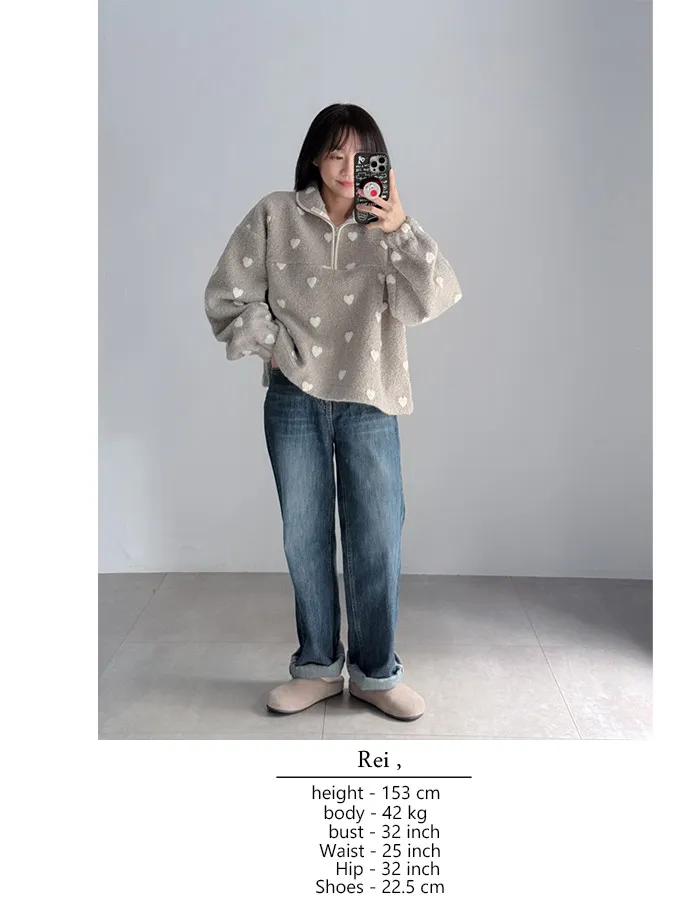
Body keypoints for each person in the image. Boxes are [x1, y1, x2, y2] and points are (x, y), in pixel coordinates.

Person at [204, 103, 462, 721]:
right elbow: (227, 295)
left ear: (380, 163)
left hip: (369, 400)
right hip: (294, 400)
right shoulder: (275, 214)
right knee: (305, 537)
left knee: (377, 537)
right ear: (316, 157)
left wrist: (400, 226)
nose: (348, 167)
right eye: (336, 153)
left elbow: (435, 297)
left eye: (361, 155)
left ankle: (376, 674)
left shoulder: (388, 230)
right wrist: (276, 346)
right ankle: (318, 667)